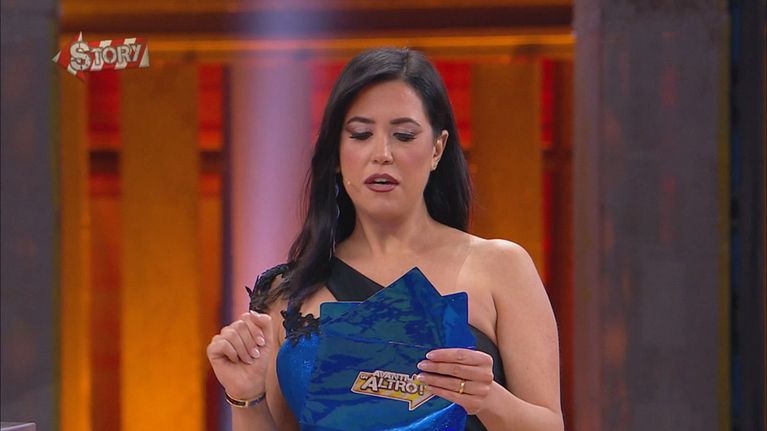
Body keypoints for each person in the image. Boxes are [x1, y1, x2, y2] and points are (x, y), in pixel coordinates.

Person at [207, 47, 564, 431]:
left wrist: (488, 397)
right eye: (360, 134)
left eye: (404, 135)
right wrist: (245, 396)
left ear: (437, 148)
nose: (382, 154)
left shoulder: (500, 267)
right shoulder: (287, 294)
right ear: (336, 153)